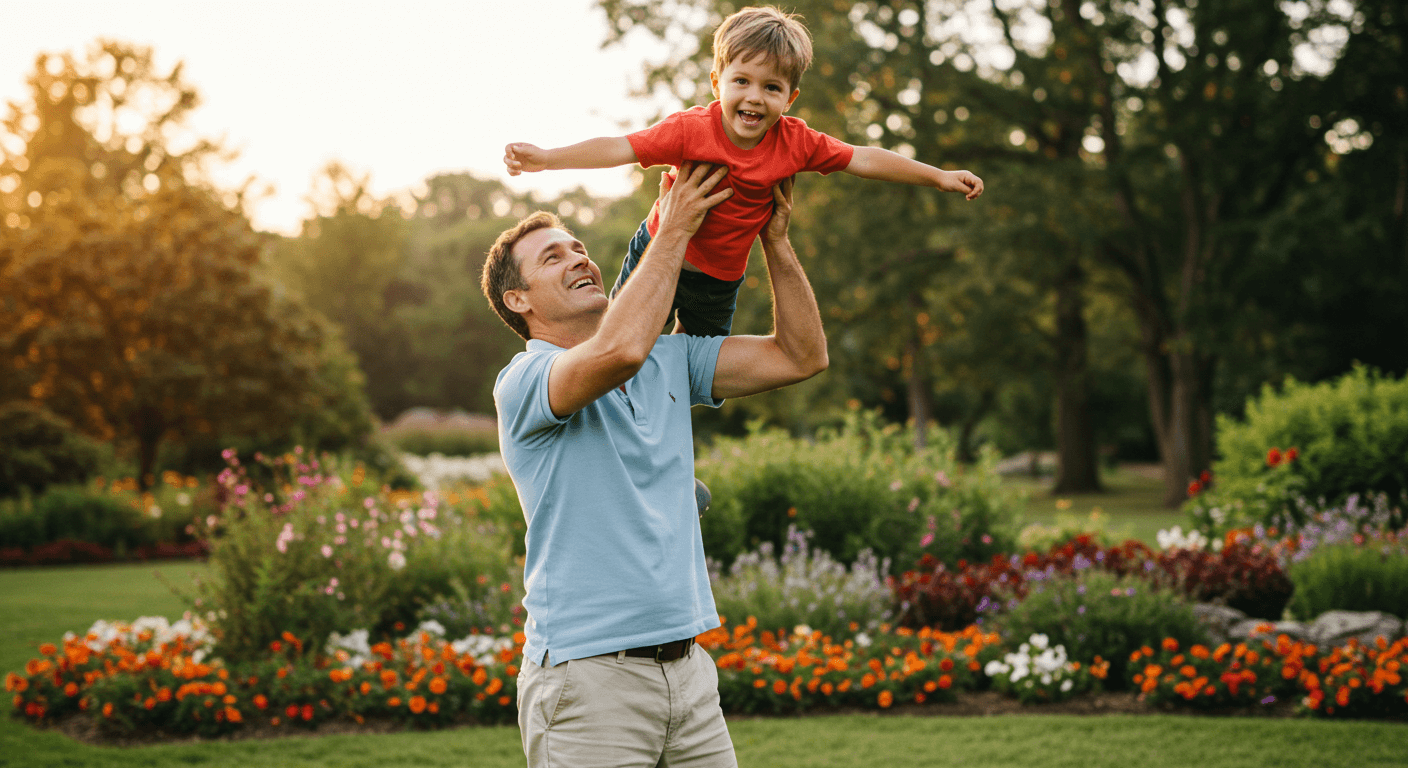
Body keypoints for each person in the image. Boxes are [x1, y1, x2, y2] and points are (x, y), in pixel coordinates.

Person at [481, 161, 825, 768]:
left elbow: (801, 355)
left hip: (688, 672)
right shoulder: (525, 381)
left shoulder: (667, 359)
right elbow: (618, 351)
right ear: (518, 299)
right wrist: (675, 229)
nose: (579, 259)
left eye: (579, 249)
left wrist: (775, 239)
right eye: (553, 258)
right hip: (588, 679)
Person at [503, 5, 983, 337]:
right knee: (619, 344)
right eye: (742, 81)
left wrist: (937, 176)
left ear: (790, 98)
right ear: (718, 82)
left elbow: (863, 158)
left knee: (696, 370)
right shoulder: (690, 129)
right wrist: (547, 158)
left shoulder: (796, 142)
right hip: (658, 253)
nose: (754, 97)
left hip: (719, 280)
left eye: (771, 87)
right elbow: (619, 147)